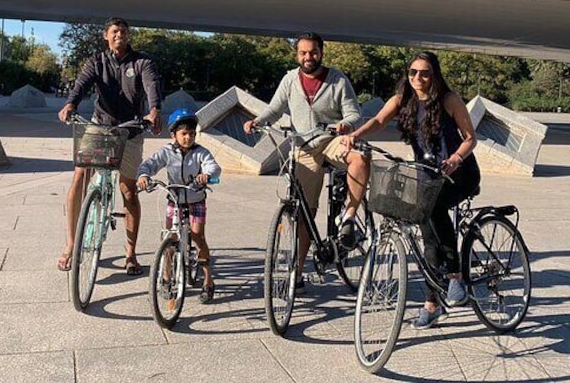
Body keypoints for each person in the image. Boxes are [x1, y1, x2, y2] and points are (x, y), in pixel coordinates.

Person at [341, 51, 480, 329]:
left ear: (435, 74)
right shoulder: (402, 99)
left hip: (460, 173)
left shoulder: (449, 99)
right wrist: (355, 136)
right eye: (413, 72)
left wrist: (455, 158)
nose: (418, 77)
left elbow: (470, 139)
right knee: (428, 237)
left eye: (425, 72)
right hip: (428, 175)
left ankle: (455, 277)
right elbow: (378, 121)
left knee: (435, 209)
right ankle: (432, 303)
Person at [242, 32, 368, 292]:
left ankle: (349, 217)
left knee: (360, 159)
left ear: (321, 52)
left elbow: (354, 112)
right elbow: (275, 108)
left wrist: (345, 124)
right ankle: (296, 275)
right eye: (303, 52)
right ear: (296, 54)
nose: (308, 57)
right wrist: (257, 121)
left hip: (331, 139)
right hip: (304, 147)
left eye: (313, 52)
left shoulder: (337, 79)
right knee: (304, 213)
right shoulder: (290, 79)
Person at [57, 17, 163, 275]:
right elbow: (82, 84)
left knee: (128, 190)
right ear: (106, 35)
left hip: (131, 129)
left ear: (128, 36)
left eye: (124, 32)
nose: (120, 35)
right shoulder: (96, 61)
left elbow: (152, 88)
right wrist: (71, 104)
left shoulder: (142, 63)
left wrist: (154, 111)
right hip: (100, 126)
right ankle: (71, 244)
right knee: (80, 177)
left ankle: (130, 253)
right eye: (115, 31)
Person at [137, 108, 222, 303]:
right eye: (184, 134)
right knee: (170, 240)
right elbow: (149, 164)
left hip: (196, 200)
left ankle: (208, 281)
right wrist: (144, 175)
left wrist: (207, 175)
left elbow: (213, 166)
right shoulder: (166, 152)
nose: (188, 137)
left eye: (192, 133)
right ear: (174, 134)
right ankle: (167, 278)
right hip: (174, 201)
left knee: (199, 236)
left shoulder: (201, 152)